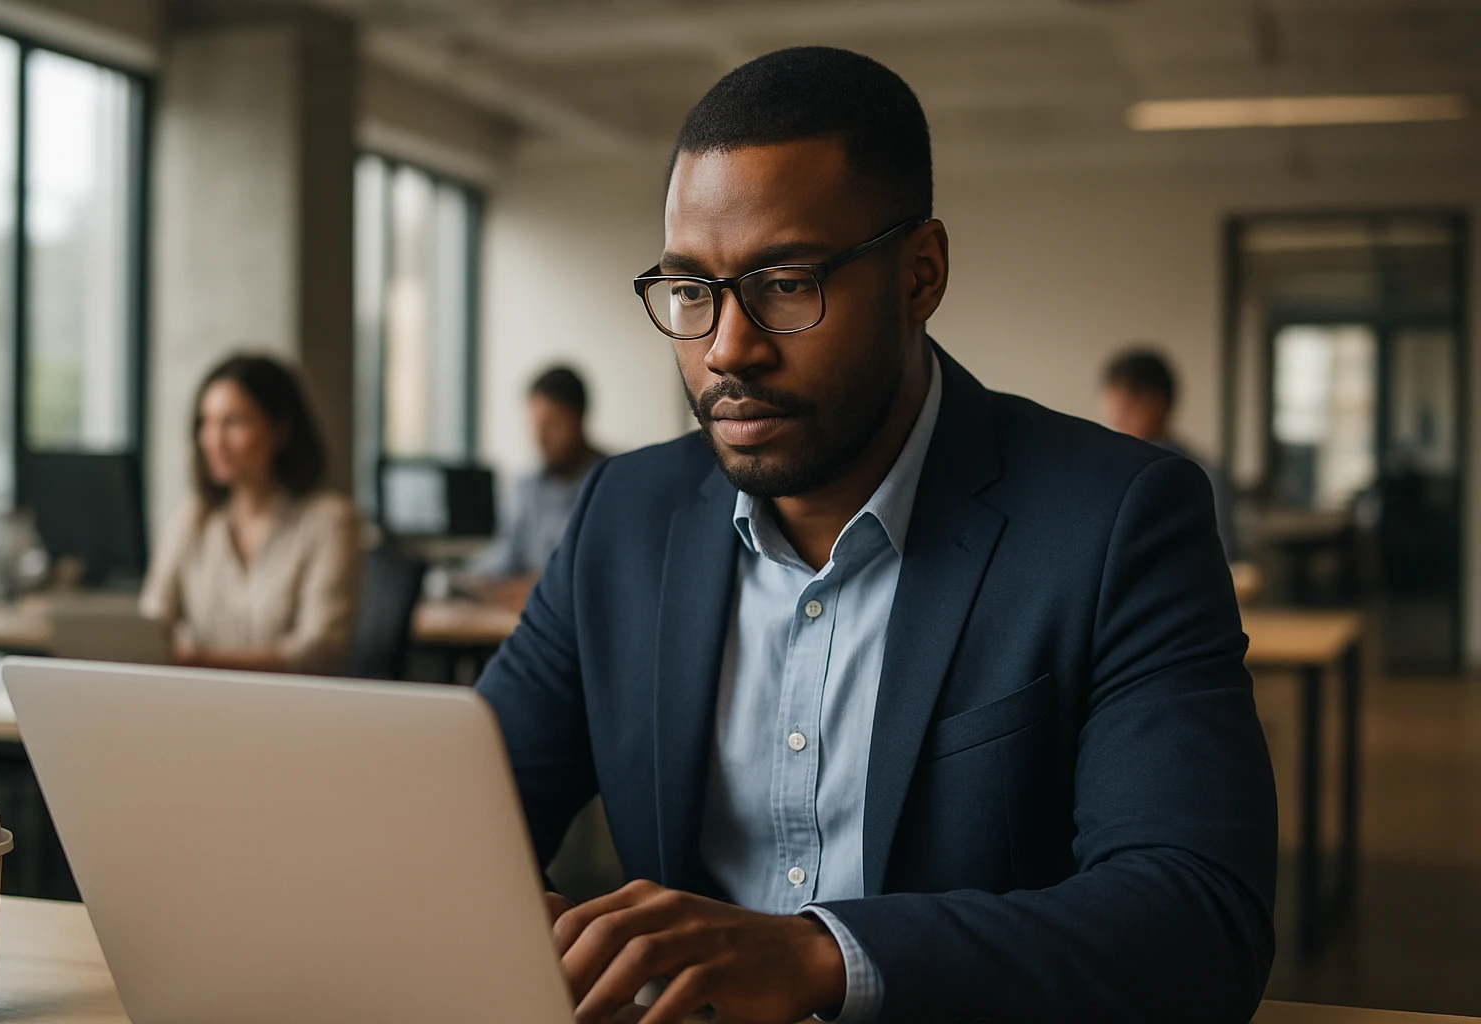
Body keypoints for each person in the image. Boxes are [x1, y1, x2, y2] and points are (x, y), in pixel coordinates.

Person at [477, 47, 1276, 1024]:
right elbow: (459, 819)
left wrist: (822, 957)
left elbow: (1199, 923)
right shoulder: (624, 519)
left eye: (785, 283)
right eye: (691, 291)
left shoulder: (1118, 521)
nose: (727, 348)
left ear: (921, 274)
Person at [140, 354, 361, 676]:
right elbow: (152, 623)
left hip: (291, 703)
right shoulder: (192, 519)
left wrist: (200, 661)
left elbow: (319, 650)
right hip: (201, 700)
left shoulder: (330, 520)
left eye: (234, 422)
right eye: (206, 423)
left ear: (280, 429)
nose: (215, 441)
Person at [470, 366, 602, 606]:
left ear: (579, 418)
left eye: (552, 425)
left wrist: (535, 585)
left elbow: (599, 575)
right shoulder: (526, 489)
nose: (541, 439)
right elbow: (499, 565)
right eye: (536, 427)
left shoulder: (611, 484)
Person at [1102, 348, 1240, 560]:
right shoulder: (1104, 473)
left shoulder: (1204, 475)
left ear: (1157, 403)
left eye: (1127, 410)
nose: (1118, 422)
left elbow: (1225, 557)